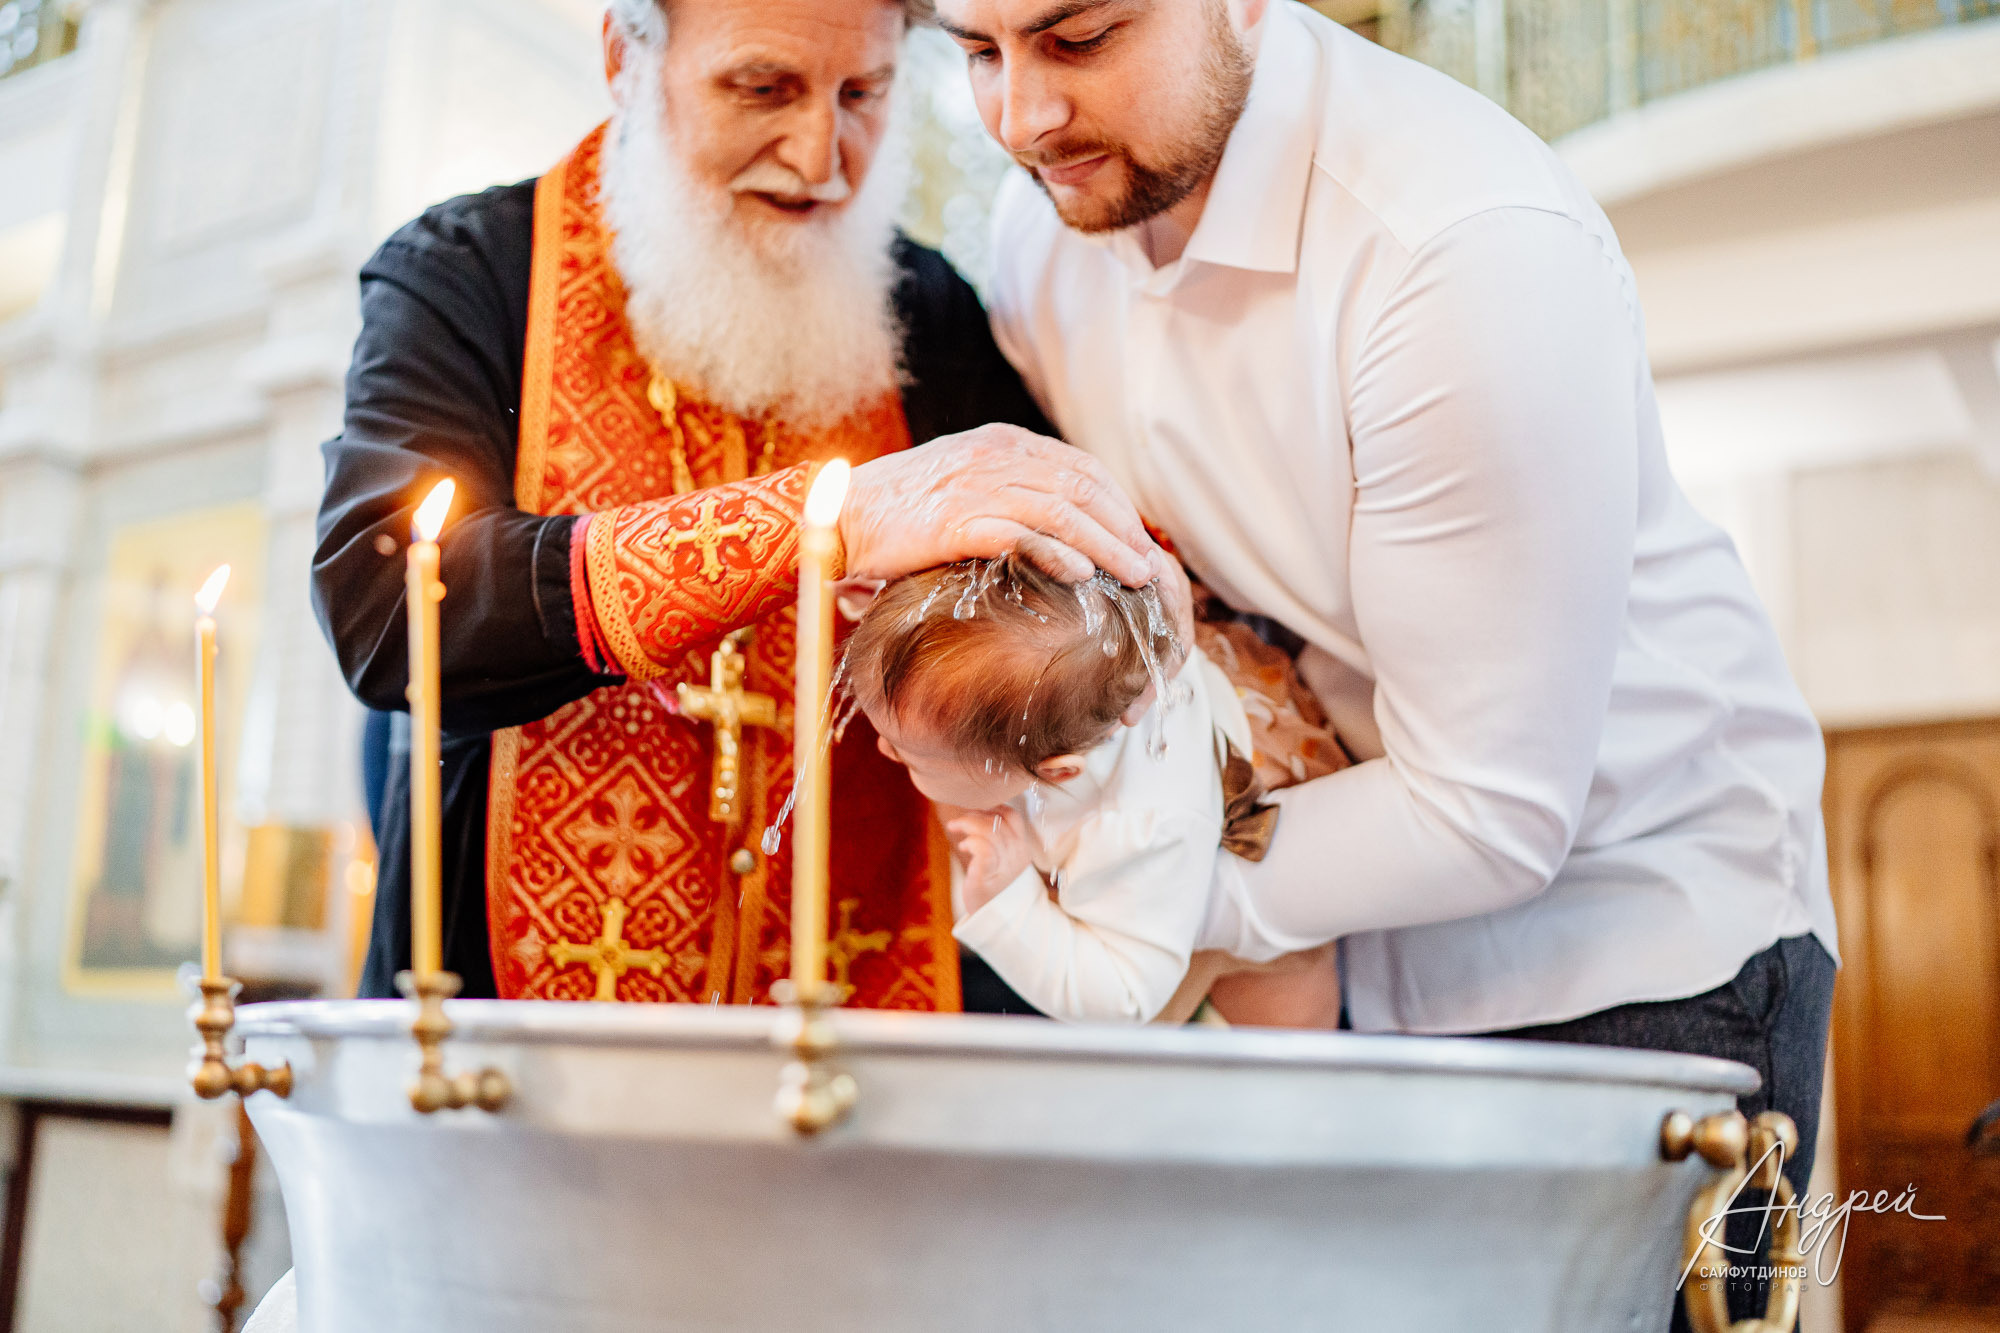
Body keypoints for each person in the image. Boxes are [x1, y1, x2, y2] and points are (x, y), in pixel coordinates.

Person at [939, 0, 1836, 1320]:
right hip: (1357, 951)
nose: (1021, 117)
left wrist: (1125, 894)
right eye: (975, 52)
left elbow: (1492, 810)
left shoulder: (1456, 244)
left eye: (1078, 39)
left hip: (1634, 953)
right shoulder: (1041, 240)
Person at [311, 0, 1168, 1010]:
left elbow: (1086, 602)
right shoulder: (467, 273)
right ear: (626, 56)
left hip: (856, 1055)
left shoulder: (929, 314)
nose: (819, 157)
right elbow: (388, 608)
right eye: (762, 88)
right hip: (518, 1062)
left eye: (862, 95)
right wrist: (836, 520)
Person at [847, 555, 1346, 1026]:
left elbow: (1127, 994)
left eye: (912, 754)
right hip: (1179, 703)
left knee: (1279, 990)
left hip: (1241, 834)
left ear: (1057, 771)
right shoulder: (1080, 651)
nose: (883, 751)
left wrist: (1009, 901)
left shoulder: (1137, 829)